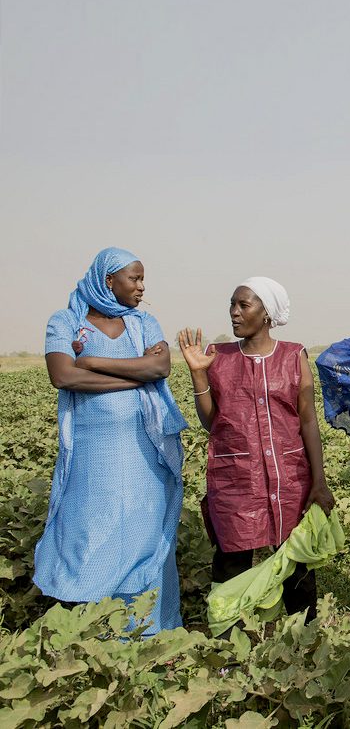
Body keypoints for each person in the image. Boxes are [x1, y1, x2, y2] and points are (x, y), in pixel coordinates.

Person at [35, 247, 187, 633]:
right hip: (92, 453)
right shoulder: (66, 322)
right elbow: (63, 377)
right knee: (90, 533)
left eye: (141, 279)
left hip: (144, 453)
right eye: (134, 279)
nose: (141, 287)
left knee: (146, 536)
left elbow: (160, 366)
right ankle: (95, 631)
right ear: (108, 281)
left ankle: (149, 629)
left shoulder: (143, 322)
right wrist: (133, 378)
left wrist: (90, 361)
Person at [177, 277, 335, 623]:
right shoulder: (218, 357)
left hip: (290, 479)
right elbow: (212, 423)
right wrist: (199, 377)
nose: (234, 313)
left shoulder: (294, 356)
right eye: (232, 305)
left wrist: (319, 481)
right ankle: (229, 641)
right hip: (236, 480)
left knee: (297, 563)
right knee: (232, 562)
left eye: (243, 305)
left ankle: (304, 639)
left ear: (266, 313)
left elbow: (308, 421)